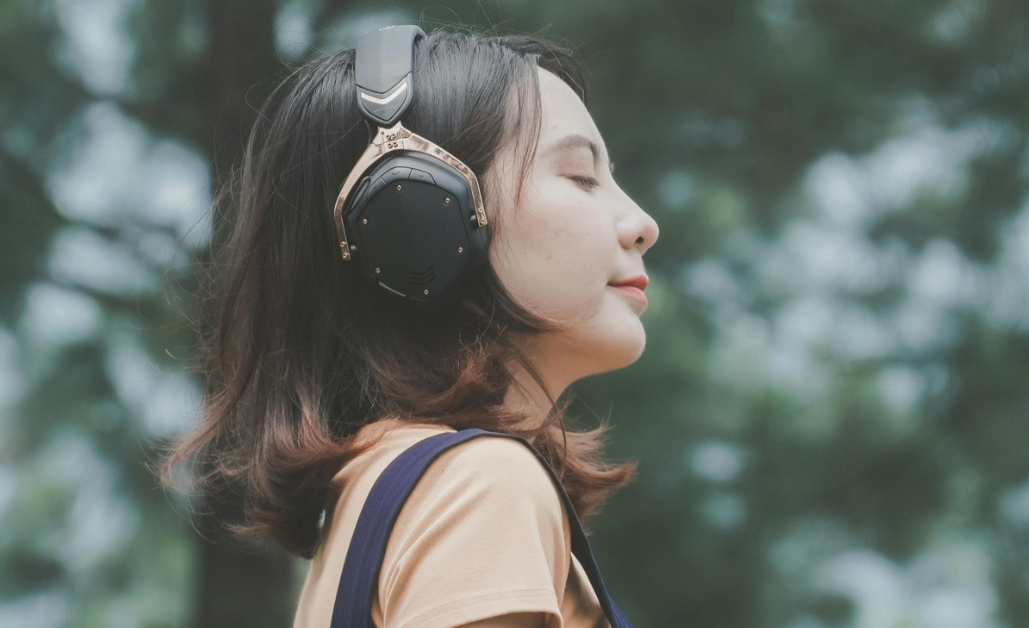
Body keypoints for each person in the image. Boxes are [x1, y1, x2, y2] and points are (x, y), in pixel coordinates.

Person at [162, 24, 659, 627]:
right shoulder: (479, 486)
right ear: (420, 215)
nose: (641, 223)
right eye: (581, 178)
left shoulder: (386, 491)